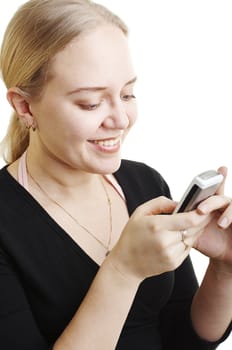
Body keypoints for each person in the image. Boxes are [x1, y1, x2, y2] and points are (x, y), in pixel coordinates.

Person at [0, 0, 231, 349]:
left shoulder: (145, 184)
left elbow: (181, 340)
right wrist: (123, 272)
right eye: (91, 103)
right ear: (24, 106)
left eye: (127, 93)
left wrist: (225, 268)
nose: (121, 120)